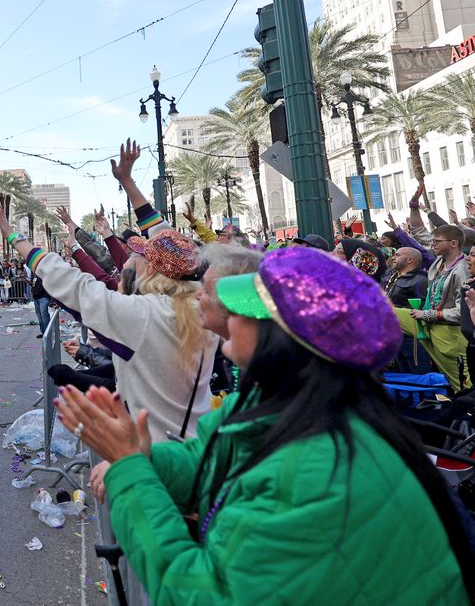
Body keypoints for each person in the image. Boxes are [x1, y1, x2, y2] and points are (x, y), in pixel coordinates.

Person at [58, 246, 474, 603]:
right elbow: (215, 455)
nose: (226, 313)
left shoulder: (315, 476)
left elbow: (199, 595)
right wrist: (146, 459)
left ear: (283, 338)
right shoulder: (290, 407)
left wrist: (130, 469)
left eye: (245, 308)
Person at [0, 140, 217, 442]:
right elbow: (169, 242)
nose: (130, 258)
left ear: (151, 269)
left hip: (155, 456)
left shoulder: (143, 316)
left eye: (138, 255)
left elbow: (72, 285)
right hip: (197, 446)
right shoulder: (203, 304)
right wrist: (127, 182)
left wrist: (14, 238)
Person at [404, 223, 472, 389]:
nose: (432, 244)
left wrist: (426, 315)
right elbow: (420, 237)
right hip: (431, 325)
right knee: (387, 312)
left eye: (437, 241)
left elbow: (461, 312)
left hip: (451, 335)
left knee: (461, 386)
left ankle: (465, 411)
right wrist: (414, 207)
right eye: (432, 241)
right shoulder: (439, 262)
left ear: (453, 244)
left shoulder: (462, 270)